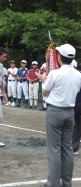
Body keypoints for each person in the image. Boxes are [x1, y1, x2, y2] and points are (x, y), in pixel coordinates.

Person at [38, 44, 81, 187]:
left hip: (55, 111)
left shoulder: (55, 73)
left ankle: (53, 183)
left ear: (59, 57)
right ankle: (66, 182)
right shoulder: (78, 75)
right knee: (67, 148)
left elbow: (45, 93)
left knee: (54, 149)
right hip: (69, 112)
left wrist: (44, 79)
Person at [72, 65, 81, 156]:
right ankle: (74, 147)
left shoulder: (76, 77)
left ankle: (75, 147)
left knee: (76, 128)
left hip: (76, 106)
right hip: (76, 106)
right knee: (76, 128)